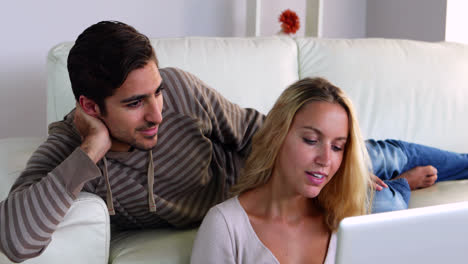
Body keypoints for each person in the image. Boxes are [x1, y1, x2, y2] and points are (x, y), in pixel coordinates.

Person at [2, 20, 468, 262]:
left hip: (278, 170)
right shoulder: (73, 147)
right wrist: (91, 151)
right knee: (388, 206)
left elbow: (256, 132)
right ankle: (405, 184)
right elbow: (17, 241)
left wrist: (339, 165)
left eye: (158, 92)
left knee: (382, 155)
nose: (158, 113)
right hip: (250, 207)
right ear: (90, 107)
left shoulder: (181, 90)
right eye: (135, 103)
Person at [190, 77, 373, 264]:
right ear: (277, 135)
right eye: (311, 140)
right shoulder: (226, 226)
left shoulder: (343, 225)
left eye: (337, 147)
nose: (325, 160)